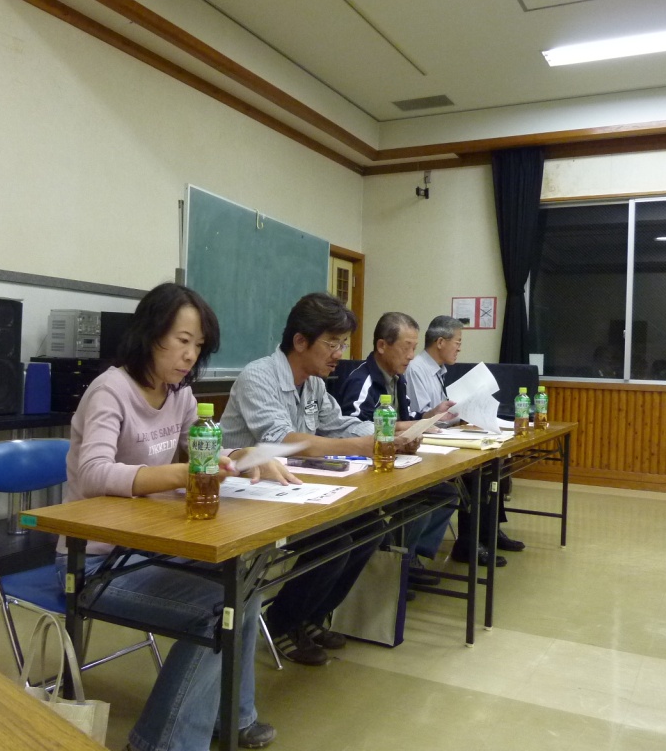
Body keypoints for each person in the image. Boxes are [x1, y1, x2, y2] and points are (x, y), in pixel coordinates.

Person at [60, 282, 293, 751]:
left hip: (152, 545)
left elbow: (203, 448)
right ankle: (158, 743)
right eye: (182, 340)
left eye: (198, 345)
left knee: (244, 585)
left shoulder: (179, 395)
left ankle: (232, 717)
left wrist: (242, 456)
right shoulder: (110, 391)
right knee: (219, 610)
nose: (190, 355)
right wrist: (181, 474)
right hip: (98, 562)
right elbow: (93, 473)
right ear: (150, 335)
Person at [221, 292, 420, 667]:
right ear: (300, 341)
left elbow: (341, 424)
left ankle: (311, 616)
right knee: (336, 539)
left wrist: (396, 432)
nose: (339, 354)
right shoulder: (258, 376)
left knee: (371, 528)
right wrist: (363, 445)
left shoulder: (313, 383)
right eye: (332, 343)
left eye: (342, 344)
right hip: (245, 495)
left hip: (291, 491)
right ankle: (282, 621)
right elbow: (284, 442)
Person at [336, 312, 458, 586]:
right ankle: (393, 564)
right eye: (406, 347)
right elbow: (352, 427)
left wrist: (426, 419)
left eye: (414, 348)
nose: (412, 356)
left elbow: (408, 417)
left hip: (394, 462)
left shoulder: (398, 378)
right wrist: (402, 431)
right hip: (366, 468)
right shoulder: (362, 380)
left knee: (446, 492)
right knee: (418, 503)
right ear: (382, 346)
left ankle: (409, 558)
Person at [405, 315, 524, 566]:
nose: (459, 348)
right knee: (476, 473)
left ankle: (488, 533)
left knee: (495, 465)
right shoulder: (417, 369)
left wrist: (468, 413)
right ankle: (468, 543)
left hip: (444, 435)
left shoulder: (438, 371)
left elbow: (442, 413)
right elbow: (420, 417)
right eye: (457, 342)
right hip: (427, 442)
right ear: (440, 342)